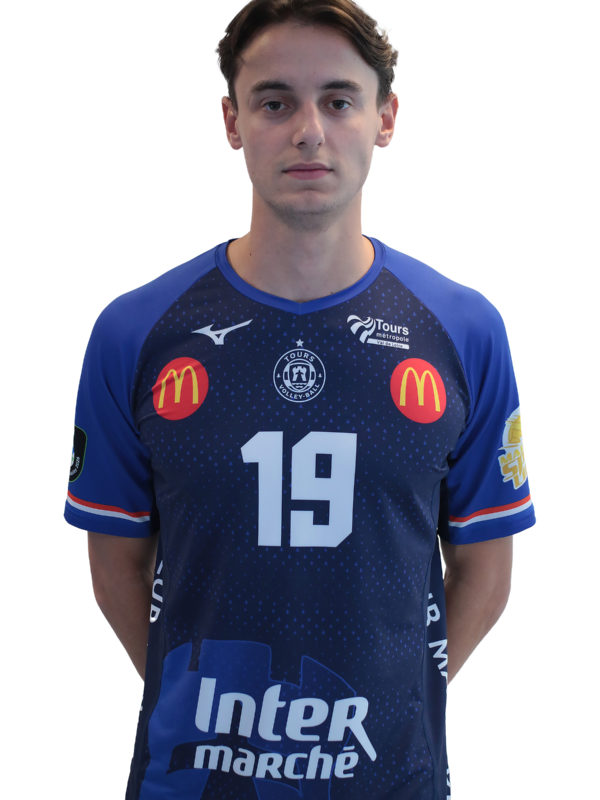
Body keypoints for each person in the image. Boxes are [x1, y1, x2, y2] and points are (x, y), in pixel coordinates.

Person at [64, 1, 535, 797]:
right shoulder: (136, 331)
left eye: (339, 100)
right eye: (275, 101)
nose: (309, 131)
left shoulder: (463, 330)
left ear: (386, 118)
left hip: (390, 777)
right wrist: (205, 706)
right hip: (194, 780)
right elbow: (115, 562)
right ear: (232, 121)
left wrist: (395, 701)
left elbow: (485, 570)